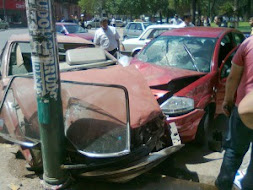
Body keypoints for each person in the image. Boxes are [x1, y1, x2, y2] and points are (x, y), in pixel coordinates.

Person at [215, 36, 253, 190]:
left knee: (234, 150)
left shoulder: (248, 43)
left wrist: (227, 101)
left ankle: (223, 185)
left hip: (244, 108)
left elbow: (232, 77)